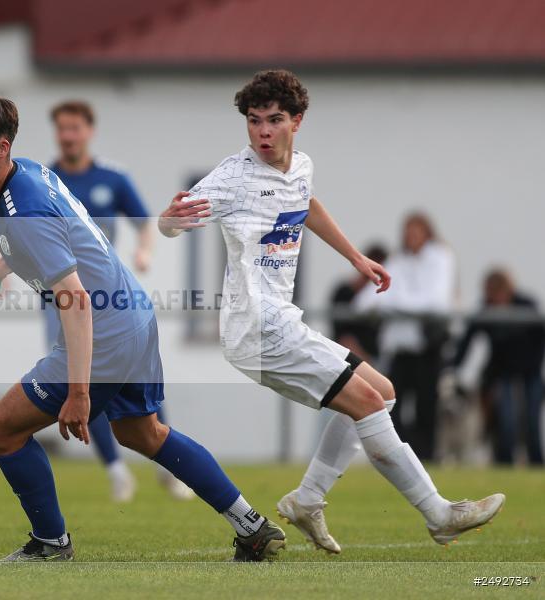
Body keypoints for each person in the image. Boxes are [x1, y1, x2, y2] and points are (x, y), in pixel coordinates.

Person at [159, 70, 504, 555]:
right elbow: (171, 222)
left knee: (381, 393)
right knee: (367, 403)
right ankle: (438, 514)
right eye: (254, 121)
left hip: (283, 321)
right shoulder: (233, 177)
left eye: (274, 120)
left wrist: (355, 258)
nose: (262, 132)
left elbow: (306, 203)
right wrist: (169, 221)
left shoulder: (300, 166)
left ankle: (308, 499)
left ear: (296, 121)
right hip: (257, 330)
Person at [0, 92, 286, 562]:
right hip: (134, 318)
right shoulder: (27, 173)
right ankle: (251, 525)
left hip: (102, 330)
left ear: (1, 146)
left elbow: (76, 300)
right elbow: (76, 234)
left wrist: (80, 393)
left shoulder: (24, 206)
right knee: (143, 434)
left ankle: (50, 543)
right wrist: (4, 265)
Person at [48, 99, 192, 502]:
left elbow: (144, 223)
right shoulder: (47, 179)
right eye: (62, 128)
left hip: (112, 298)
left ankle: (169, 468)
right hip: (63, 300)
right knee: (79, 382)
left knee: (137, 380)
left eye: (74, 127)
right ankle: (115, 470)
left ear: (88, 131)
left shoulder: (112, 178)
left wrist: (145, 251)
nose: (68, 136)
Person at [354, 212, 456, 460]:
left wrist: (393, 303)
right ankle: (398, 460)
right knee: (392, 407)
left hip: (427, 348)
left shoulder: (440, 258)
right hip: (398, 351)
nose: (411, 238)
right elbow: (363, 303)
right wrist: (401, 304)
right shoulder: (398, 261)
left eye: (417, 232)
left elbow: (437, 302)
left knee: (426, 408)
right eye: (408, 232)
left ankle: (427, 459)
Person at [453, 269, 544, 465]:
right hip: (502, 372)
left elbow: (540, 340)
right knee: (506, 419)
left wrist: (534, 363)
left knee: (531, 418)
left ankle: (536, 462)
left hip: (530, 371)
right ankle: (506, 461)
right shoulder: (486, 309)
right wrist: (453, 366)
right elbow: (467, 340)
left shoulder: (527, 306)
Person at [329, 244, 388, 362]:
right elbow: (344, 337)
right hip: (348, 357)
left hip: (375, 357)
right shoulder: (345, 292)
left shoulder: (382, 297)